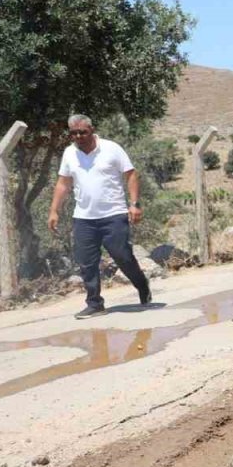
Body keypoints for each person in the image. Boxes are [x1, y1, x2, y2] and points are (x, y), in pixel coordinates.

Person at [48, 114, 153, 319]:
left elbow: (131, 174)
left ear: (92, 130)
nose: (79, 136)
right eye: (74, 133)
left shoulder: (111, 148)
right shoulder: (69, 153)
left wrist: (134, 204)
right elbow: (63, 183)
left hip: (113, 214)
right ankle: (94, 303)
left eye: (83, 132)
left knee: (122, 255)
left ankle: (142, 285)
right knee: (86, 262)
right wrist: (54, 210)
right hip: (84, 217)